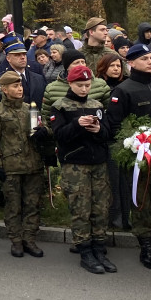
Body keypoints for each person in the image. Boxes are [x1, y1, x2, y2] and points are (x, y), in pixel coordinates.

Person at [104, 42, 151, 270]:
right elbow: (117, 126)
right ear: (132, 62)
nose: (150, 61)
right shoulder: (123, 90)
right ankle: (146, 248)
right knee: (142, 204)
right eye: (144, 58)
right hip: (138, 159)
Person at [50, 65, 115, 274]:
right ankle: (84, 249)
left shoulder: (96, 104)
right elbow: (59, 135)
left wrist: (98, 129)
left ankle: (99, 246)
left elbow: (107, 133)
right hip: (75, 164)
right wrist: (77, 124)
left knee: (101, 207)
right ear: (70, 83)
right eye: (80, 85)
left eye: (87, 85)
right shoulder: (60, 106)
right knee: (81, 208)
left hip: (98, 162)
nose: (84, 89)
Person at [0, 71, 45, 258]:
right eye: (15, 86)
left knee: (32, 205)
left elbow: (40, 134)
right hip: (10, 166)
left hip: (33, 165)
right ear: (4, 89)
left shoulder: (31, 108)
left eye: (20, 86)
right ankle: (16, 241)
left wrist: (44, 135)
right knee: (13, 206)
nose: (19, 89)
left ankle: (29, 239)